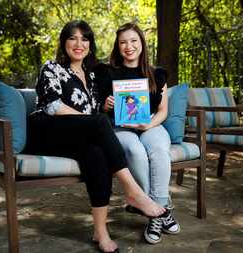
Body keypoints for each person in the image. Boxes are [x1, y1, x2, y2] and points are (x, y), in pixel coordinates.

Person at [25, 20, 165, 253]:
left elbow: (98, 108)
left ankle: (100, 232)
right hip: (46, 130)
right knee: (98, 123)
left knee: (97, 154)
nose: (79, 44)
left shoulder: (91, 76)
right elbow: (53, 106)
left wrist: (107, 105)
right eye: (73, 38)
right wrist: (90, 120)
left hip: (76, 136)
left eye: (84, 39)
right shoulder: (51, 67)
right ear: (64, 42)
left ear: (90, 44)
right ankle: (134, 192)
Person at [95, 22, 180, 245]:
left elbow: (162, 112)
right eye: (123, 42)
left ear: (142, 43)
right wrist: (105, 105)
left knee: (160, 150)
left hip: (150, 125)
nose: (129, 46)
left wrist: (149, 125)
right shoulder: (107, 73)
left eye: (133, 41)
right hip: (119, 126)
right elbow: (97, 107)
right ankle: (161, 211)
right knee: (135, 151)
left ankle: (156, 212)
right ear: (117, 46)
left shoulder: (157, 74)